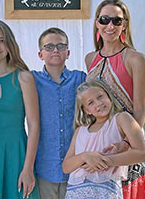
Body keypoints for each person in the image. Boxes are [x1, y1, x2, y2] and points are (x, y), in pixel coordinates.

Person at [85, 0, 145, 198]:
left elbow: (140, 109)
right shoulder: (90, 59)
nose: (110, 25)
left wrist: (126, 144)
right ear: (97, 22)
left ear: (125, 25)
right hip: (98, 147)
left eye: (116, 20)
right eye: (104, 19)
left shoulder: (135, 59)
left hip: (126, 146)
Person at [0, 20, 40, 199]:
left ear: (10, 44)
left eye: (1, 40)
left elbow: (34, 125)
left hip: (16, 152)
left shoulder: (23, 77)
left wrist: (28, 168)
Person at [62, 79, 145, 199]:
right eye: (90, 103)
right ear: (86, 110)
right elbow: (66, 167)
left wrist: (104, 161)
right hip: (75, 193)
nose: (98, 103)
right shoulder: (80, 130)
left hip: (106, 192)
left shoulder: (121, 119)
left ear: (108, 95)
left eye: (100, 96)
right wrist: (85, 156)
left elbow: (141, 154)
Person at [32, 28, 86, 199]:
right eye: (48, 47)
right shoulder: (32, 80)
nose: (55, 50)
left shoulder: (81, 79)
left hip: (77, 167)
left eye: (60, 46)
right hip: (45, 167)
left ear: (68, 52)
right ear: (40, 54)